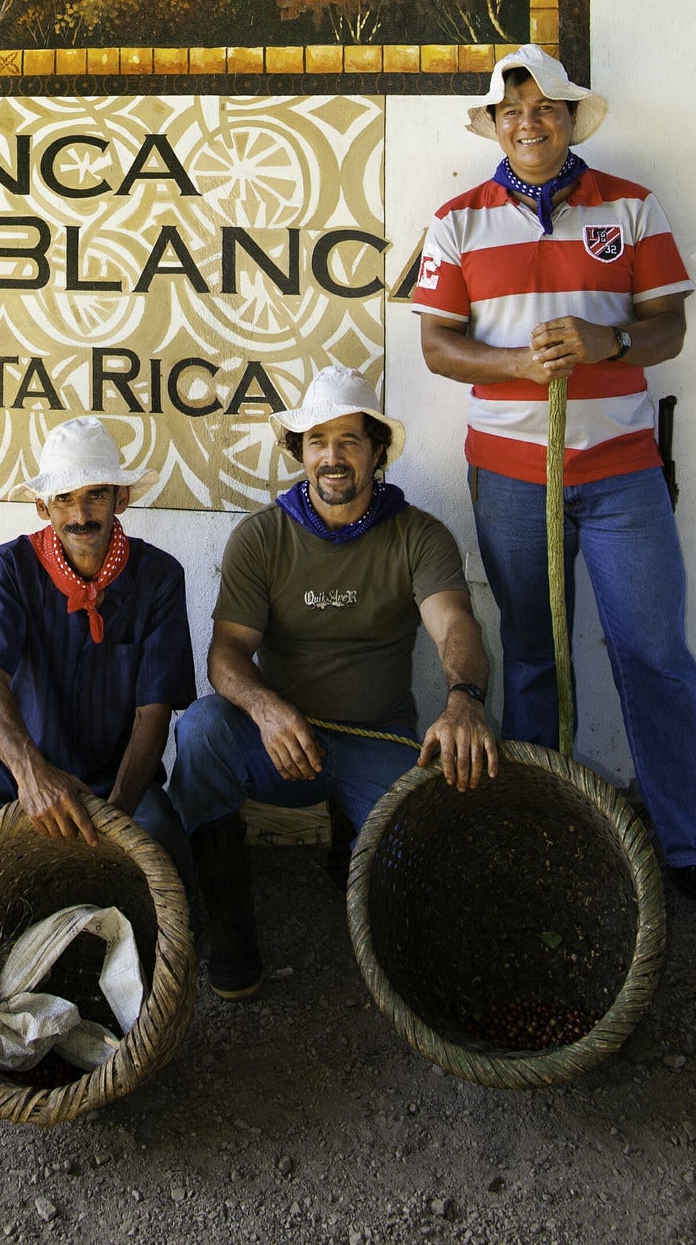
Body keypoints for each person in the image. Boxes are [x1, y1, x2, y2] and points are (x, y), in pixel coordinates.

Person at [411, 44, 696, 944]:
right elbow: (438, 348)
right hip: (509, 477)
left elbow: (669, 327)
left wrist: (606, 346)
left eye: (546, 109)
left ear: (570, 117)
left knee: (653, 654)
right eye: (511, 112)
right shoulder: (457, 221)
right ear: (493, 126)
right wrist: (517, 363)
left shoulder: (630, 205)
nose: (529, 124)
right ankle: (542, 836)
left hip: (621, 476)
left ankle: (695, 850)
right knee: (533, 654)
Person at [170, 365, 498, 999]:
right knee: (203, 727)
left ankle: (355, 846)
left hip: (375, 739)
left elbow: (455, 624)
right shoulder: (261, 536)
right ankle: (231, 936)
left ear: (377, 451)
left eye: (349, 440)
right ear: (299, 452)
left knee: (422, 868)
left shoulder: (419, 534)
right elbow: (227, 655)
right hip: (277, 742)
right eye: (317, 441)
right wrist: (265, 709)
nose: (332, 457)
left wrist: (464, 701)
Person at [0, 417, 195, 891]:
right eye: (64, 499)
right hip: (17, 767)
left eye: (96, 494)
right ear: (42, 507)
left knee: (172, 868)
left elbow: (153, 713)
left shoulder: (159, 576)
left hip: (118, 778)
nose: (81, 515)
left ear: (122, 498)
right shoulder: (11, 566)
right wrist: (32, 775)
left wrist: (113, 819)